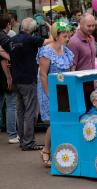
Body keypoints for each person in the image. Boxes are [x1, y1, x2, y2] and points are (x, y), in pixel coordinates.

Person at [10, 17, 52, 151]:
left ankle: (23, 139)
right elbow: (51, 40)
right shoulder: (31, 39)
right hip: (28, 80)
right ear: (33, 29)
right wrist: (51, 28)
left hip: (16, 79)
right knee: (30, 111)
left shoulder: (13, 39)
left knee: (20, 110)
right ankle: (28, 142)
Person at [37, 21, 73, 167]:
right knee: (54, 122)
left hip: (64, 91)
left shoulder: (67, 51)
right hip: (49, 90)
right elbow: (43, 75)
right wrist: (49, 94)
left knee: (63, 121)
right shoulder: (46, 51)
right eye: (65, 36)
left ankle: (60, 151)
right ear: (56, 36)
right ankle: (46, 150)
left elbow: (71, 73)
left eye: (68, 35)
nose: (68, 38)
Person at [0, 14, 18, 144]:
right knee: (11, 104)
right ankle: (12, 135)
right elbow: (2, 58)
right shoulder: (4, 38)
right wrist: (9, 77)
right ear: (7, 24)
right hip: (4, 76)